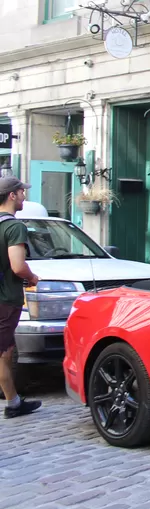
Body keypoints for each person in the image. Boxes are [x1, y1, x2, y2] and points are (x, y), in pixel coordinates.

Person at [0, 176, 41, 418]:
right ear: (12, 195)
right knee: (2, 351)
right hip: (5, 299)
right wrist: (32, 277)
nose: (24, 196)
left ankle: (13, 401)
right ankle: (13, 404)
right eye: (21, 192)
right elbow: (18, 266)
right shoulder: (14, 227)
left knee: (5, 350)